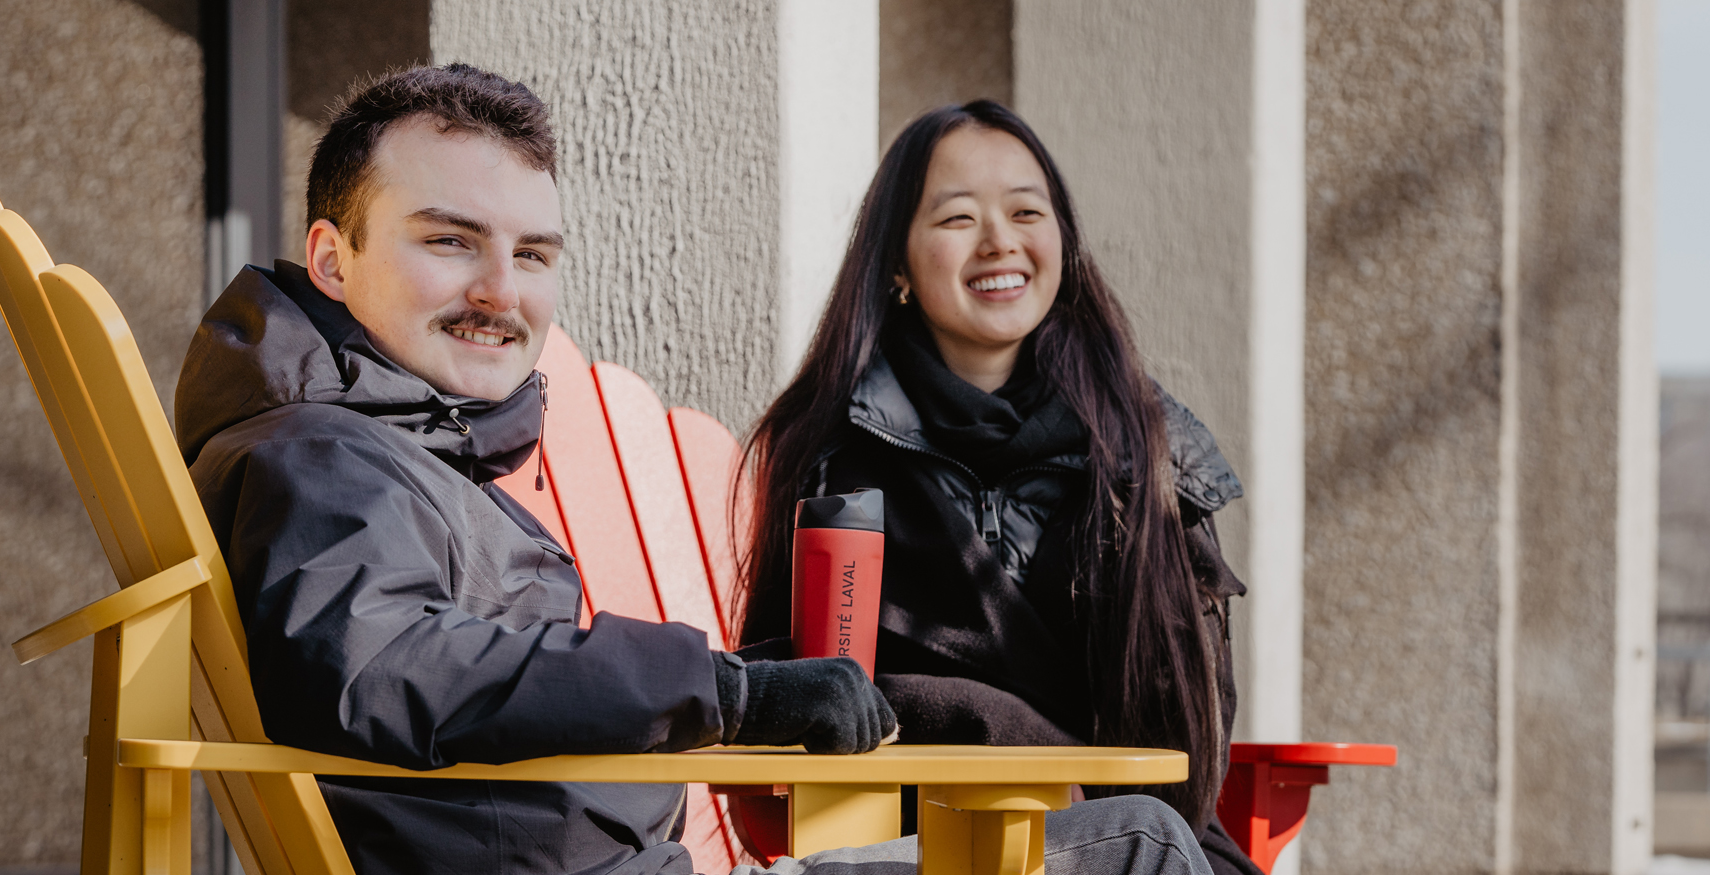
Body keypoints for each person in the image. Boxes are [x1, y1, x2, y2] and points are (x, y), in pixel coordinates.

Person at [175, 64, 1210, 875]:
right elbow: (386, 666)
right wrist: (726, 689)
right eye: (450, 241)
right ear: (330, 256)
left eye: (533, 254)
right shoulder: (323, 455)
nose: (501, 288)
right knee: (1142, 848)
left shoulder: (392, 449)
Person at [734, 101, 1261, 875]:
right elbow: (791, 688)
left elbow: (1189, 728)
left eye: (1026, 210)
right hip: (920, 840)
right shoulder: (831, 451)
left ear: (1063, 242)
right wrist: (1011, 731)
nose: (1000, 241)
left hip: (1116, 842)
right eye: (957, 218)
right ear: (897, 263)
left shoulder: (1145, 452)